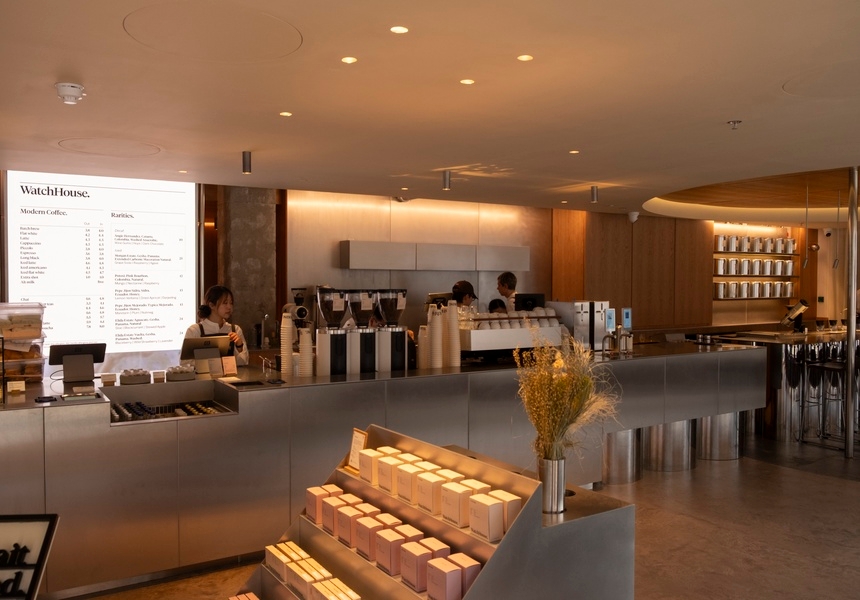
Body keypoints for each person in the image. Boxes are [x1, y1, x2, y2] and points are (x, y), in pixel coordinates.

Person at [185, 285, 250, 365]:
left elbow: (244, 362)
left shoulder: (235, 329)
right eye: (225, 303)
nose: (229, 307)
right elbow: (185, 363)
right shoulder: (195, 330)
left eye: (231, 303)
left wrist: (239, 346)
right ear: (211, 305)